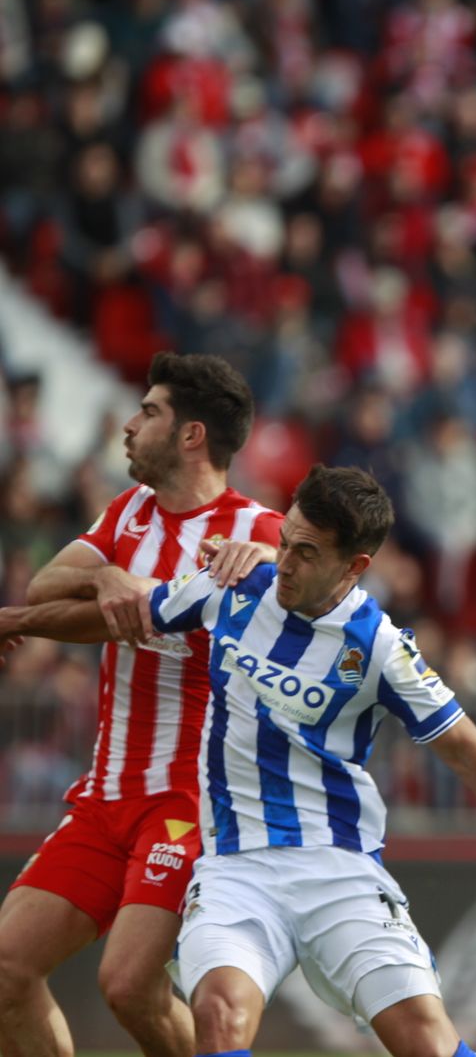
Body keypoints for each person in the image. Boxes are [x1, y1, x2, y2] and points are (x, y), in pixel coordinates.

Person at [149, 464, 476, 1057]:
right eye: (284, 542)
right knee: (218, 1011)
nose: (284, 563)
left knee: (425, 1043)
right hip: (236, 865)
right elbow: (119, 609)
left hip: (339, 870)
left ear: (354, 565)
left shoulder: (380, 647)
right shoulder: (233, 585)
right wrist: (66, 594)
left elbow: (469, 752)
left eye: (306, 552)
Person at [0, 353, 281, 1057]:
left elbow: (328, 595)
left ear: (191, 435)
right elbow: (46, 585)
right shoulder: (129, 512)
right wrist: (108, 579)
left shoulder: (257, 533)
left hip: (187, 799)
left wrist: (276, 561)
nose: (129, 426)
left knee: (128, 986)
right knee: (6, 969)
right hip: (105, 797)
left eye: (149, 412)